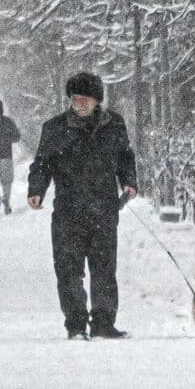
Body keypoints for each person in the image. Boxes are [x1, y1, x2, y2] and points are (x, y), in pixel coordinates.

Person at [27, 72, 137, 339]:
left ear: (96, 100)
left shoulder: (114, 125)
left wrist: (129, 182)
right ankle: (76, 324)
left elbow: (125, 156)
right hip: (68, 211)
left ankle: (103, 323)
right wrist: (36, 190)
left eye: (85, 100)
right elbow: (42, 163)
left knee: (104, 270)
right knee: (68, 270)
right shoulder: (55, 128)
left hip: (104, 209)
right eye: (75, 99)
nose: (79, 104)